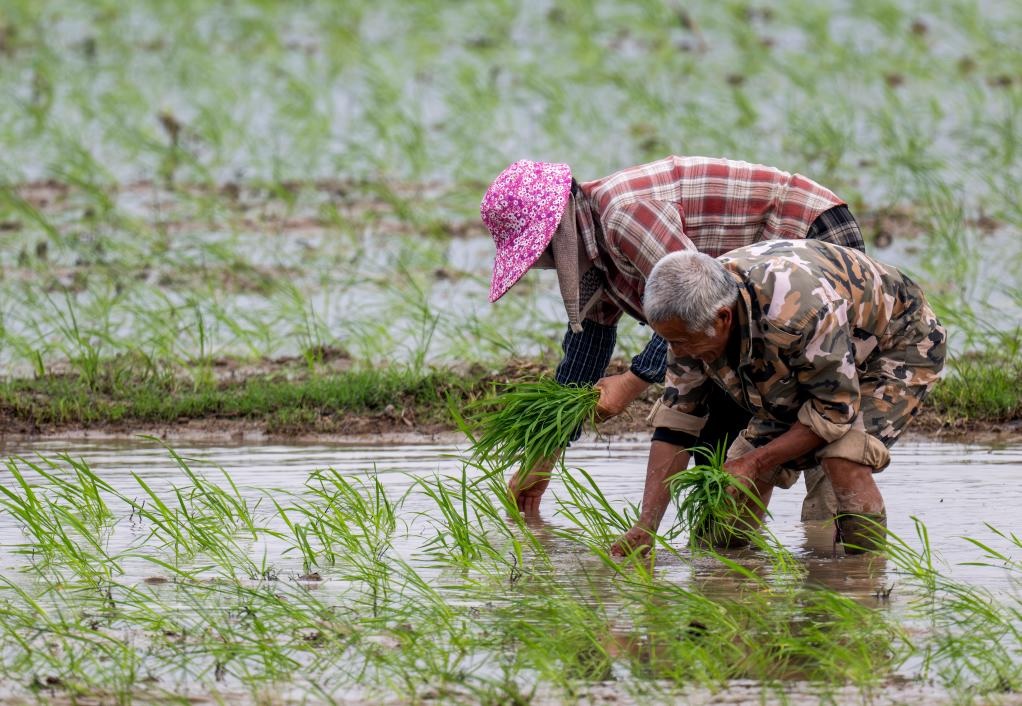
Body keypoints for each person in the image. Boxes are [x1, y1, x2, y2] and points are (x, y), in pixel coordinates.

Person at [480, 156, 866, 519]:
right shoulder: (593, 257)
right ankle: (735, 549)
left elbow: (689, 302)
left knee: (818, 398)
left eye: (540, 254)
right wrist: (544, 454)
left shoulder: (623, 215)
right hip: (737, 294)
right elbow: (587, 347)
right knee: (725, 407)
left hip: (809, 236)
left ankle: (834, 540)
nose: (544, 265)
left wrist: (632, 382)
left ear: (557, 233)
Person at [612, 239, 945, 555]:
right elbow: (677, 423)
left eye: (683, 342)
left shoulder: (798, 314)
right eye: (669, 340)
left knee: (844, 454)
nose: (676, 351)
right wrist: (646, 528)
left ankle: (863, 577)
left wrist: (756, 463)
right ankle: (731, 585)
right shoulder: (691, 320)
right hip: (812, 354)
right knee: (732, 490)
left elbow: (834, 411)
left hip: (896, 342)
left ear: (723, 318)